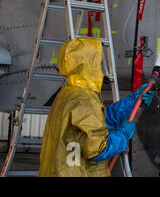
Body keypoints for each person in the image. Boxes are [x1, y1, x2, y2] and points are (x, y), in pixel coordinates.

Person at [38, 37, 152, 177]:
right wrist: (124, 134)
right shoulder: (85, 100)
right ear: (87, 64)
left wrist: (132, 101)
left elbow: (98, 119)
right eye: (97, 61)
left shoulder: (69, 93)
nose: (100, 66)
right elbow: (98, 149)